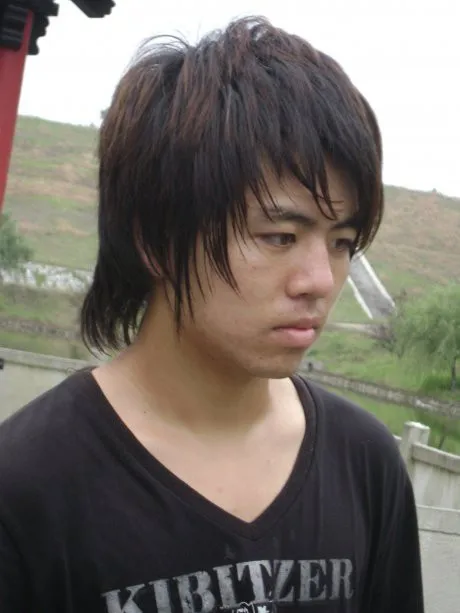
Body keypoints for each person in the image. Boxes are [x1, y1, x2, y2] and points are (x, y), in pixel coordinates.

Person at [0, 16, 424, 613]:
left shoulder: (365, 463)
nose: (321, 281)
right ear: (156, 237)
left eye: (342, 242)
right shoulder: (28, 486)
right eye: (280, 236)